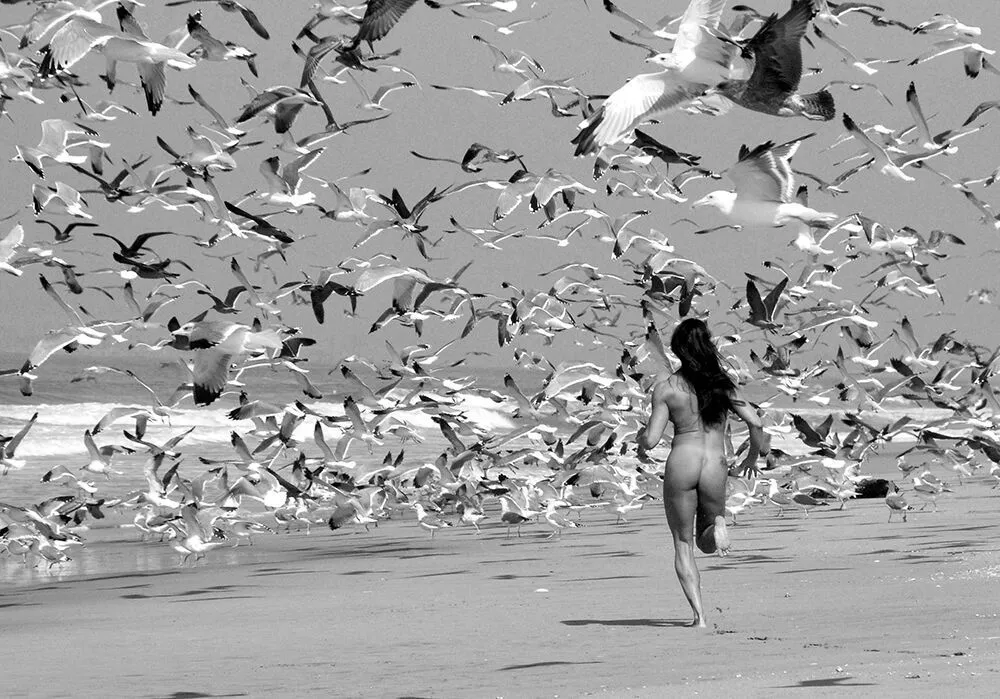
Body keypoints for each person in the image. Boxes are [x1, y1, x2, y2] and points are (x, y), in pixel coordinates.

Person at [636, 318, 770, 628]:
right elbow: (758, 423)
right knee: (707, 537)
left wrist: (639, 441)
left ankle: (699, 616)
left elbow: (652, 438)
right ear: (707, 345)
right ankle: (719, 523)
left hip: (683, 459)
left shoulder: (667, 387)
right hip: (714, 463)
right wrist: (751, 457)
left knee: (684, 544)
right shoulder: (722, 384)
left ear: (678, 350)